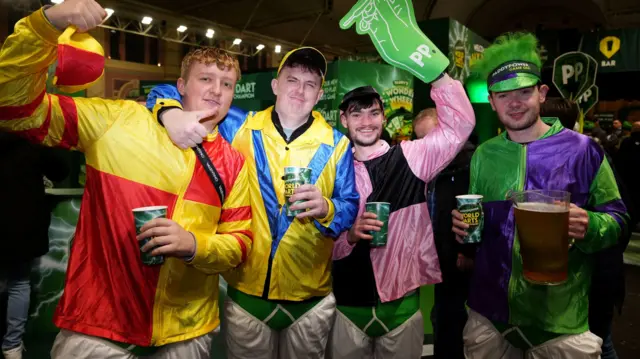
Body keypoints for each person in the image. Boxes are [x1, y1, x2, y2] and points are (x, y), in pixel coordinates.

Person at [0, 0, 253, 357]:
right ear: (181, 85)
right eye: (206, 79)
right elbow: (14, 109)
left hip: (186, 333)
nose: (216, 90)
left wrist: (193, 244)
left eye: (226, 83)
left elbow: (240, 243)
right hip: (97, 329)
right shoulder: (115, 121)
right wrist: (46, 24)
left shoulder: (233, 163)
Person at [147, 47, 359, 359]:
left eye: (310, 84)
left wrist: (328, 208)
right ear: (275, 85)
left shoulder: (337, 144)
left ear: (319, 94)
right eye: (292, 80)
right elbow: (164, 91)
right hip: (247, 297)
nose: (300, 90)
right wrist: (171, 113)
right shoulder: (239, 126)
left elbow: (350, 206)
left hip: (310, 301)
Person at [451, 32, 628, 358]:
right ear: (491, 101)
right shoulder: (484, 154)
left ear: (542, 93)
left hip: (560, 320)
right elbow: (478, 225)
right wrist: (465, 228)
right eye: (503, 95)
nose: (514, 102)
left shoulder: (583, 150)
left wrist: (590, 223)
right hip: (487, 317)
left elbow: (618, 219)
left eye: (523, 91)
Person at [328, 75, 474, 358]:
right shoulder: (332, 169)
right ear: (344, 120)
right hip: (347, 304)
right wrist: (349, 236)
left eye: (373, 113)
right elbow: (317, 236)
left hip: (401, 307)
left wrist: (438, 76)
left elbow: (459, 127)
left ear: (383, 118)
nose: (366, 122)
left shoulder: (412, 157)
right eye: (356, 114)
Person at [540, 99, 637, 359]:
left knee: (596, 343)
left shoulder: (589, 155)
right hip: (567, 284)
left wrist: (592, 228)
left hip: (593, 281)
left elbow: (621, 218)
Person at [413, 108, 476, 359]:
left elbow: (476, 213)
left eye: (431, 137)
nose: (427, 145)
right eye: (421, 139)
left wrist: (467, 251)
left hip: (462, 261)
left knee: (457, 322)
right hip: (441, 260)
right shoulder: (432, 167)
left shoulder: (471, 164)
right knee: (442, 318)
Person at [0, 133, 68, 359]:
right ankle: (12, 347)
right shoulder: (30, 138)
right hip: (21, 226)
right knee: (19, 283)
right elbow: (60, 171)